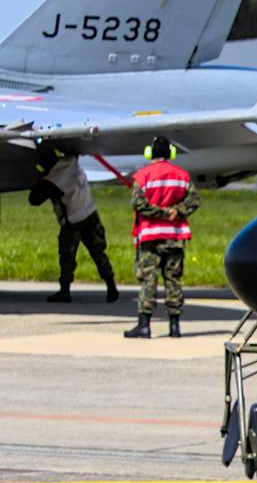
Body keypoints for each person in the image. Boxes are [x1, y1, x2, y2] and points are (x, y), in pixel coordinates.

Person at [123, 136, 196, 338]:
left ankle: (144, 326)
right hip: (175, 237)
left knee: (149, 280)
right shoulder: (182, 176)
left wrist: (159, 213)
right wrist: (176, 211)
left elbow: (138, 204)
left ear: (150, 153)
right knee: (173, 279)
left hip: (149, 236)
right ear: (171, 153)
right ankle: (175, 327)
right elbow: (194, 201)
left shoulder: (142, 176)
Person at [27, 139, 117, 303]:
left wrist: (37, 179)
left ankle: (65, 291)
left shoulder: (52, 180)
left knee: (67, 257)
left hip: (73, 221)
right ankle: (111, 286)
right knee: (98, 253)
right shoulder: (71, 161)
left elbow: (34, 200)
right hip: (91, 213)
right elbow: (73, 151)